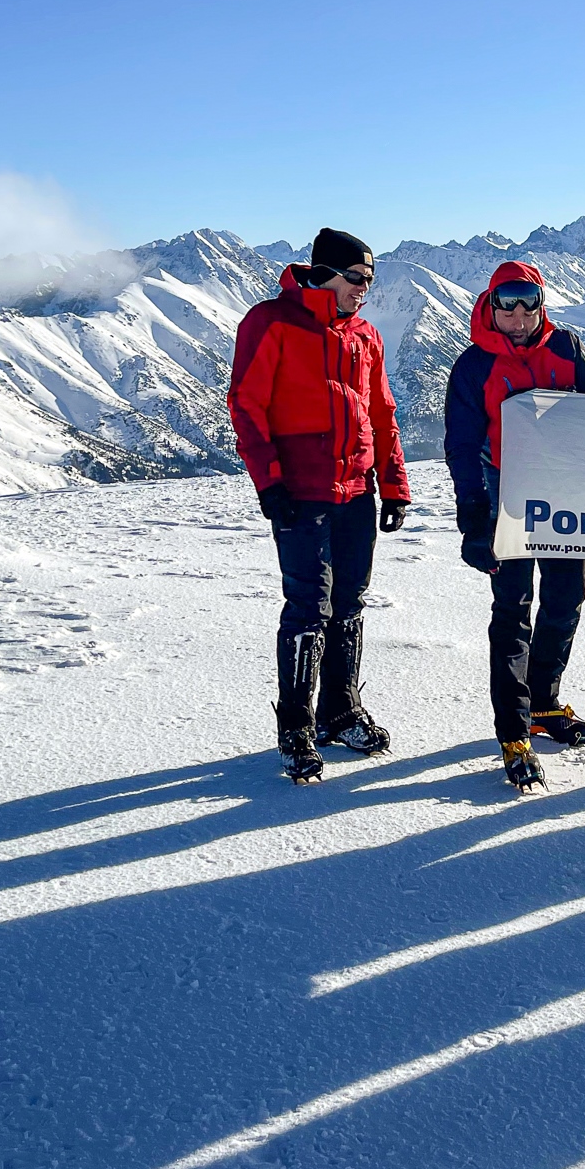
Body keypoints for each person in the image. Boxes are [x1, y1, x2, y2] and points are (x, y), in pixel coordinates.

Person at [228, 228, 410, 783]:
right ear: (324, 273)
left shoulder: (366, 336)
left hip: (357, 492)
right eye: (357, 279)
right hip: (301, 494)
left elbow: (382, 413)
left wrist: (395, 483)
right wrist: (270, 482)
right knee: (309, 606)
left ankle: (340, 711)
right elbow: (247, 403)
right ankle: (296, 727)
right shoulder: (271, 322)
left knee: (350, 602)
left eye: (370, 281)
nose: (364, 289)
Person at [444, 262, 585, 790]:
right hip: (508, 494)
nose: (518, 316)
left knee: (566, 597)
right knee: (514, 604)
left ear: (541, 304)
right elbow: (459, 447)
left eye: (528, 303)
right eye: (507, 304)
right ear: (491, 306)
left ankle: (543, 702)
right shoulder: (475, 365)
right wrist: (474, 518)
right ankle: (514, 728)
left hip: (563, 490)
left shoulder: (567, 348)